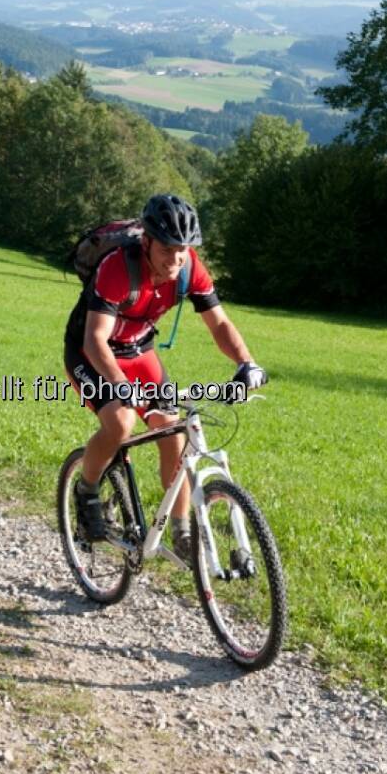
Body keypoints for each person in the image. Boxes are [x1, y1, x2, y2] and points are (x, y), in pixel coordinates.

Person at [64, 194, 266, 562]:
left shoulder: (189, 267)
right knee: (120, 423)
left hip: (139, 352)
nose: (175, 258)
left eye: (183, 249)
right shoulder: (117, 268)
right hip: (90, 352)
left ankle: (182, 529)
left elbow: (218, 322)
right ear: (147, 242)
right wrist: (122, 388)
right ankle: (87, 491)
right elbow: (95, 340)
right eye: (168, 248)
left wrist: (246, 363)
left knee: (173, 431)